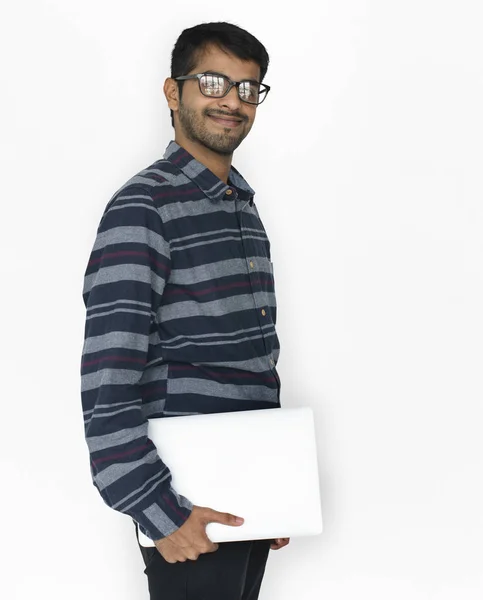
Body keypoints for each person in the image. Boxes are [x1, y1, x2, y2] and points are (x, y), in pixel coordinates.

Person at [80, 21, 289, 600]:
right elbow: (108, 380)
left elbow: (250, 365)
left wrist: (275, 483)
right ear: (174, 93)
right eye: (215, 82)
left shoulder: (241, 206)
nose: (233, 101)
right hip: (183, 500)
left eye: (249, 89)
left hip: (247, 491)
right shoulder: (143, 206)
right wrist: (155, 509)